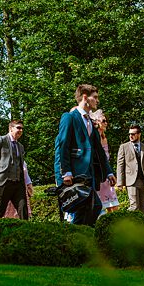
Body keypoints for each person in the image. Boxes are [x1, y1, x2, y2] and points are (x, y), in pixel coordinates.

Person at [53, 83, 115, 226]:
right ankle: (78, 237)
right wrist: (65, 172)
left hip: (90, 175)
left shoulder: (90, 122)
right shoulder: (69, 117)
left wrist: (109, 172)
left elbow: (98, 150)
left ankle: (82, 237)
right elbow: (63, 145)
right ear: (85, 97)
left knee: (93, 207)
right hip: (75, 174)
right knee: (90, 207)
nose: (97, 101)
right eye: (95, 97)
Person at [0, 120, 31, 219]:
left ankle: (24, 234)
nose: (21, 130)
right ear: (11, 128)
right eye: (18, 127)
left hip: (18, 184)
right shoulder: (1, 140)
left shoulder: (20, 146)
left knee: (23, 212)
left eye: (22, 128)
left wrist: (26, 183)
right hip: (3, 182)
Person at [115, 123, 144, 213]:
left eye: (133, 134)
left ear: (139, 134)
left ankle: (142, 227)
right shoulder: (124, 147)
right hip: (131, 182)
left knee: (143, 208)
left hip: (143, 182)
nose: (131, 136)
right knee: (134, 206)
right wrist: (120, 183)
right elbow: (120, 165)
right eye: (129, 134)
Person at [89, 110, 120, 216]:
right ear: (97, 122)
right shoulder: (93, 137)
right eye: (104, 121)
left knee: (113, 205)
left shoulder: (104, 138)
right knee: (100, 205)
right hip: (99, 175)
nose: (106, 123)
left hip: (106, 175)